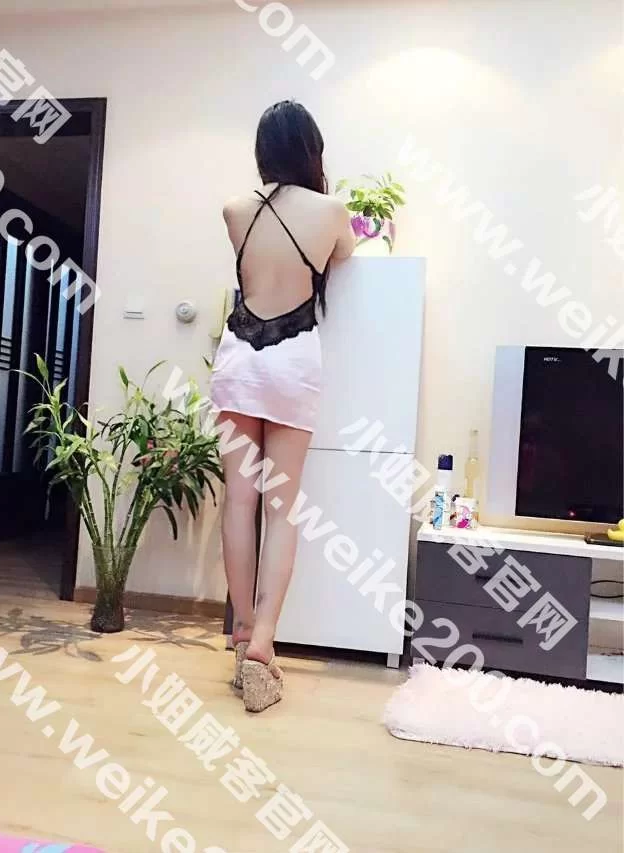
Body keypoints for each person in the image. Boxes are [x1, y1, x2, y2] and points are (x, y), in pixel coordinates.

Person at [210, 100, 355, 712]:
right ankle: (265, 643)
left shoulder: (235, 210)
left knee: (238, 503)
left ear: (263, 151)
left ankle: (242, 632)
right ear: (311, 149)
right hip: (293, 359)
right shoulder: (332, 212)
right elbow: (345, 257)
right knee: (281, 508)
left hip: (238, 356)